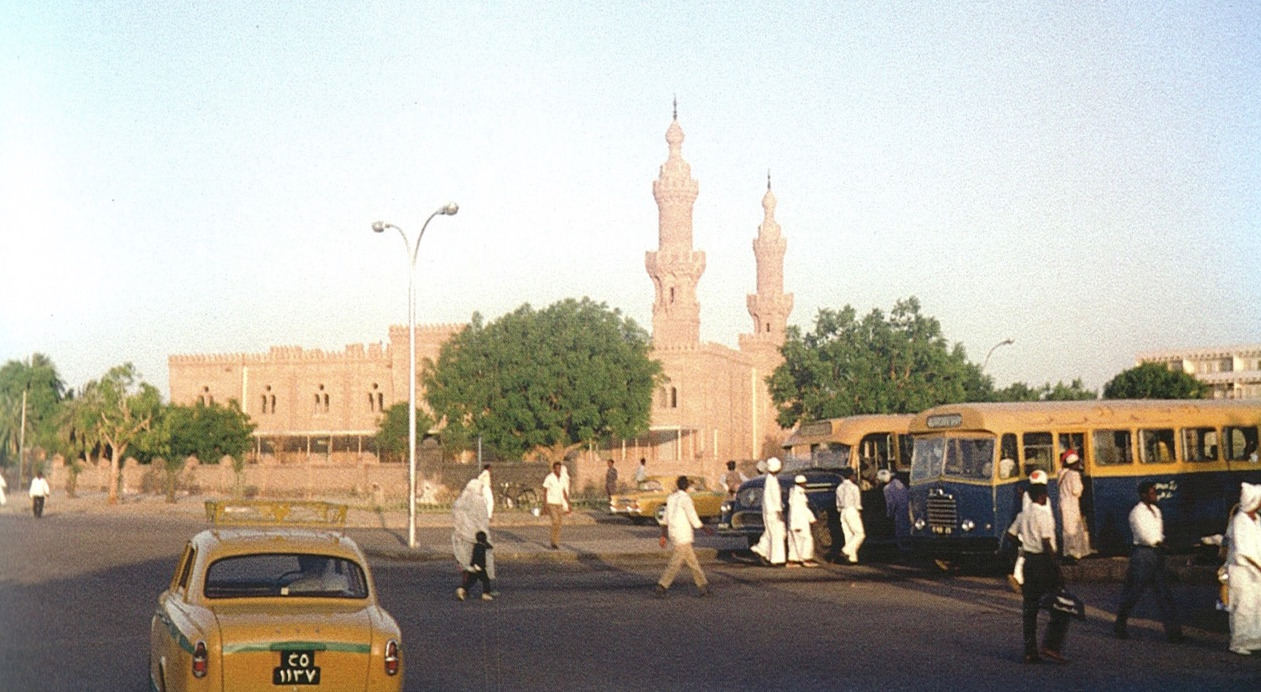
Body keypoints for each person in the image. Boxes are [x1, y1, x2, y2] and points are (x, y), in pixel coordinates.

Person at [1114, 480, 1184, 643]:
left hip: (1156, 554)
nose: (1155, 495)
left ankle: (1174, 633)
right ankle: (1120, 623)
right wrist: (1159, 542)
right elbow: (1145, 536)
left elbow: (1158, 532)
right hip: (1143, 555)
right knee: (1133, 592)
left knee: (1164, 594)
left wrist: (1162, 542)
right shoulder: (1137, 513)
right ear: (1143, 495)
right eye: (1152, 492)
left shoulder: (1156, 511)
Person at [1009, 482, 1070, 664]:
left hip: (1029, 562)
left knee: (1030, 609)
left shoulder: (1022, 515)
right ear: (1042, 497)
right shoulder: (1043, 515)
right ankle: (1051, 645)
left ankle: (1030, 651)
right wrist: (1056, 567)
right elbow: (1046, 542)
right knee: (1060, 605)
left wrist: (1025, 547)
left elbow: (1010, 536)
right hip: (1043, 562)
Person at [655, 475, 713, 597]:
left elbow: (665, 519)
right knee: (675, 563)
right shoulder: (686, 499)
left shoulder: (671, 498)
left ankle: (703, 586)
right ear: (686, 487)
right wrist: (703, 528)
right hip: (683, 533)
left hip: (674, 533)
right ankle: (662, 585)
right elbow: (693, 517)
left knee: (693, 562)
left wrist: (663, 535)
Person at [1226, 482, 1261, 655]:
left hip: (1256, 572)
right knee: (1242, 607)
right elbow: (1243, 551)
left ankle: (1254, 641)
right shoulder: (1240, 520)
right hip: (1243, 571)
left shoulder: (1257, 519)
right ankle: (1238, 642)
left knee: (1256, 606)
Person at [452, 478, 498, 598]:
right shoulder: (478, 501)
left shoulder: (460, 500)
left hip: (461, 538)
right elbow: (482, 520)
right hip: (477, 538)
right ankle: (481, 591)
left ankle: (466, 587)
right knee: (481, 566)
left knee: (467, 564)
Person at [1009, 469, 1049, 591]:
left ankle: (1018, 578)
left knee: (1022, 555)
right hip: (1037, 530)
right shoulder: (1043, 498)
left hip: (1024, 527)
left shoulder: (1027, 494)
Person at [751, 457, 786, 566]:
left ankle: (761, 548)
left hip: (769, 511)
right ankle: (776, 559)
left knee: (771, 532)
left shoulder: (770, 479)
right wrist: (779, 511)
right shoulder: (772, 481)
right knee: (777, 534)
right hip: (773, 512)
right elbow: (774, 499)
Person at [1058, 451, 1090, 560]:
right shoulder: (1074, 474)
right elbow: (1077, 491)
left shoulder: (1061, 473)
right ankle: (1074, 553)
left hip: (1063, 503)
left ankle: (1068, 552)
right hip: (1072, 503)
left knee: (1067, 529)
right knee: (1074, 529)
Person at [786, 475, 818, 567]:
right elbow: (797, 510)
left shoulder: (796, 493)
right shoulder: (798, 495)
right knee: (807, 539)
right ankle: (807, 559)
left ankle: (792, 560)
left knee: (795, 542)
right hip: (799, 521)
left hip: (799, 521)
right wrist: (795, 524)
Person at [835, 467, 864, 564]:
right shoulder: (854, 487)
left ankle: (852, 558)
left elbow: (838, 503)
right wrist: (858, 511)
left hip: (843, 511)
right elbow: (857, 502)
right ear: (851, 476)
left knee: (848, 535)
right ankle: (846, 551)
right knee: (860, 534)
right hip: (852, 510)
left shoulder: (839, 487)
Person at [458, 531, 495, 602]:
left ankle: (462, 589)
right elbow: (478, 558)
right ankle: (485, 593)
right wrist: (479, 567)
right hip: (479, 567)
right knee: (485, 580)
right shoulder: (480, 547)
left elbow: (488, 546)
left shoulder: (477, 546)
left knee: (472, 580)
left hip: (474, 567)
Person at [880, 469, 910, 552]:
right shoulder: (897, 482)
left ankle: (903, 549)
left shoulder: (886, 489)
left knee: (900, 529)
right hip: (908, 506)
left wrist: (889, 514)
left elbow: (891, 503)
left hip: (899, 509)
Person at [543, 462, 571, 549]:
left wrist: (568, 503)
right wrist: (545, 503)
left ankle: (555, 542)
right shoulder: (549, 478)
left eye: (560, 468)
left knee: (559, 523)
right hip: (551, 502)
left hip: (560, 502)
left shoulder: (562, 478)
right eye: (557, 468)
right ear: (554, 469)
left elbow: (563, 491)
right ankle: (553, 541)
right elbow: (545, 490)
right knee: (555, 521)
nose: (558, 470)